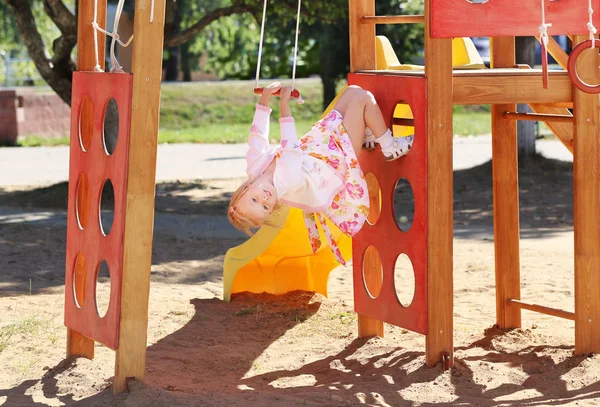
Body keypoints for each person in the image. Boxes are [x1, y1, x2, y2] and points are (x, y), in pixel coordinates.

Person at [227, 82, 413, 264]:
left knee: (352, 91)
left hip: (321, 146)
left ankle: (368, 131)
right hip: (336, 160)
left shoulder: (254, 168)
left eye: (255, 200)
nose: (265, 199)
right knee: (363, 98)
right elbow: (290, 146)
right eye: (265, 207)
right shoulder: (286, 182)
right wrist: (284, 104)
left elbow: (257, 135)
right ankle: (390, 146)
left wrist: (265, 99)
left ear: (246, 189)